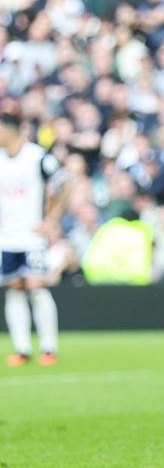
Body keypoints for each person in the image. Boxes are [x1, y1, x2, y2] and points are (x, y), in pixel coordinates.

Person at [1, 101, 69, 366]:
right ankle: (22, 349)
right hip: (7, 238)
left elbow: (64, 183)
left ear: (9, 130)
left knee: (36, 287)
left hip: (32, 236)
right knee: (14, 289)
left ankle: (49, 348)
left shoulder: (37, 157)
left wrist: (51, 219)